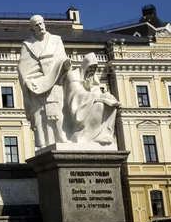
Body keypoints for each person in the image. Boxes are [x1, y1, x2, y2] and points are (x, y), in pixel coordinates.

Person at [18, 15, 71, 148]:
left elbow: (62, 57)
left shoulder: (56, 40)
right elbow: (23, 68)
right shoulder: (28, 45)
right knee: (40, 117)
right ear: (32, 28)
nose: (40, 26)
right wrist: (27, 81)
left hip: (55, 82)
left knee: (58, 113)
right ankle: (43, 144)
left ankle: (61, 138)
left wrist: (65, 63)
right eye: (37, 25)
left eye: (42, 23)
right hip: (37, 86)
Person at [64, 53, 120, 144]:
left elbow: (97, 91)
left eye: (94, 68)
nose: (92, 70)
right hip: (76, 108)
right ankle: (85, 136)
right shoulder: (73, 75)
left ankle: (105, 135)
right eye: (90, 67)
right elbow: (76, 94)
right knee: (99, 105)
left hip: (88, 102)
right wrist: (97, 97)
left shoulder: (92, 78)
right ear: (85, 66)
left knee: (111, 105)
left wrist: (107, 97)